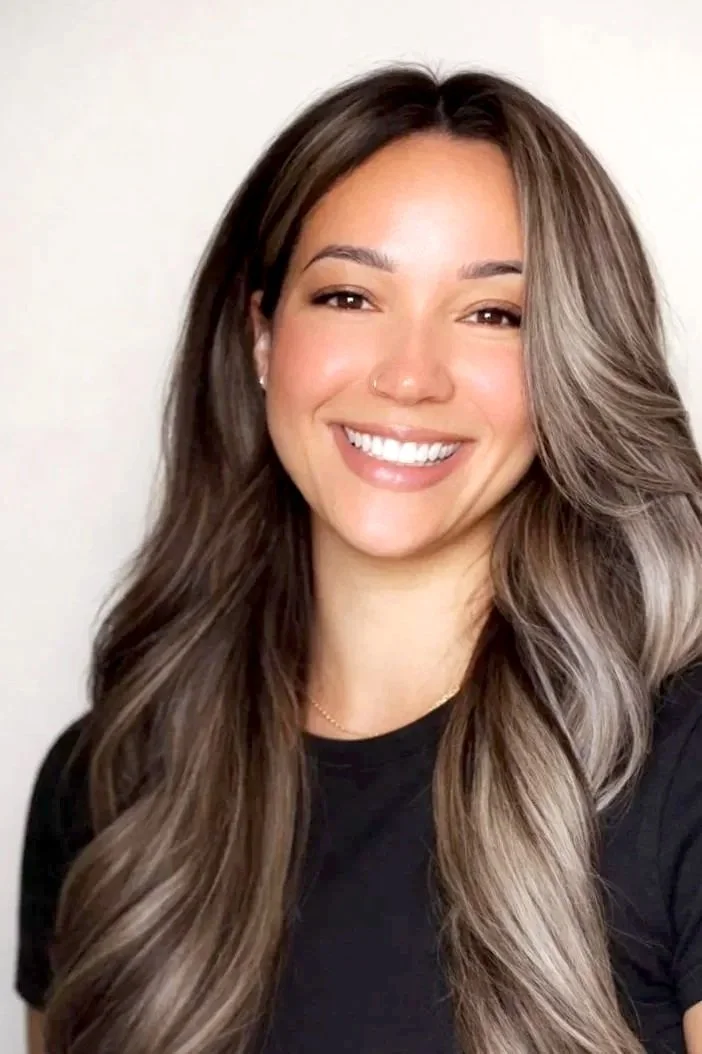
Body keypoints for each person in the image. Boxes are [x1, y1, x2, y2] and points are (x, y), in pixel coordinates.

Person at [14, 64, 702, 1054]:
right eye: (348, 295)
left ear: (571, 363)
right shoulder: (109, 784)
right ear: (261, 335)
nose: (410, 376)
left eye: (494, 314)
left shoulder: (678, 767)